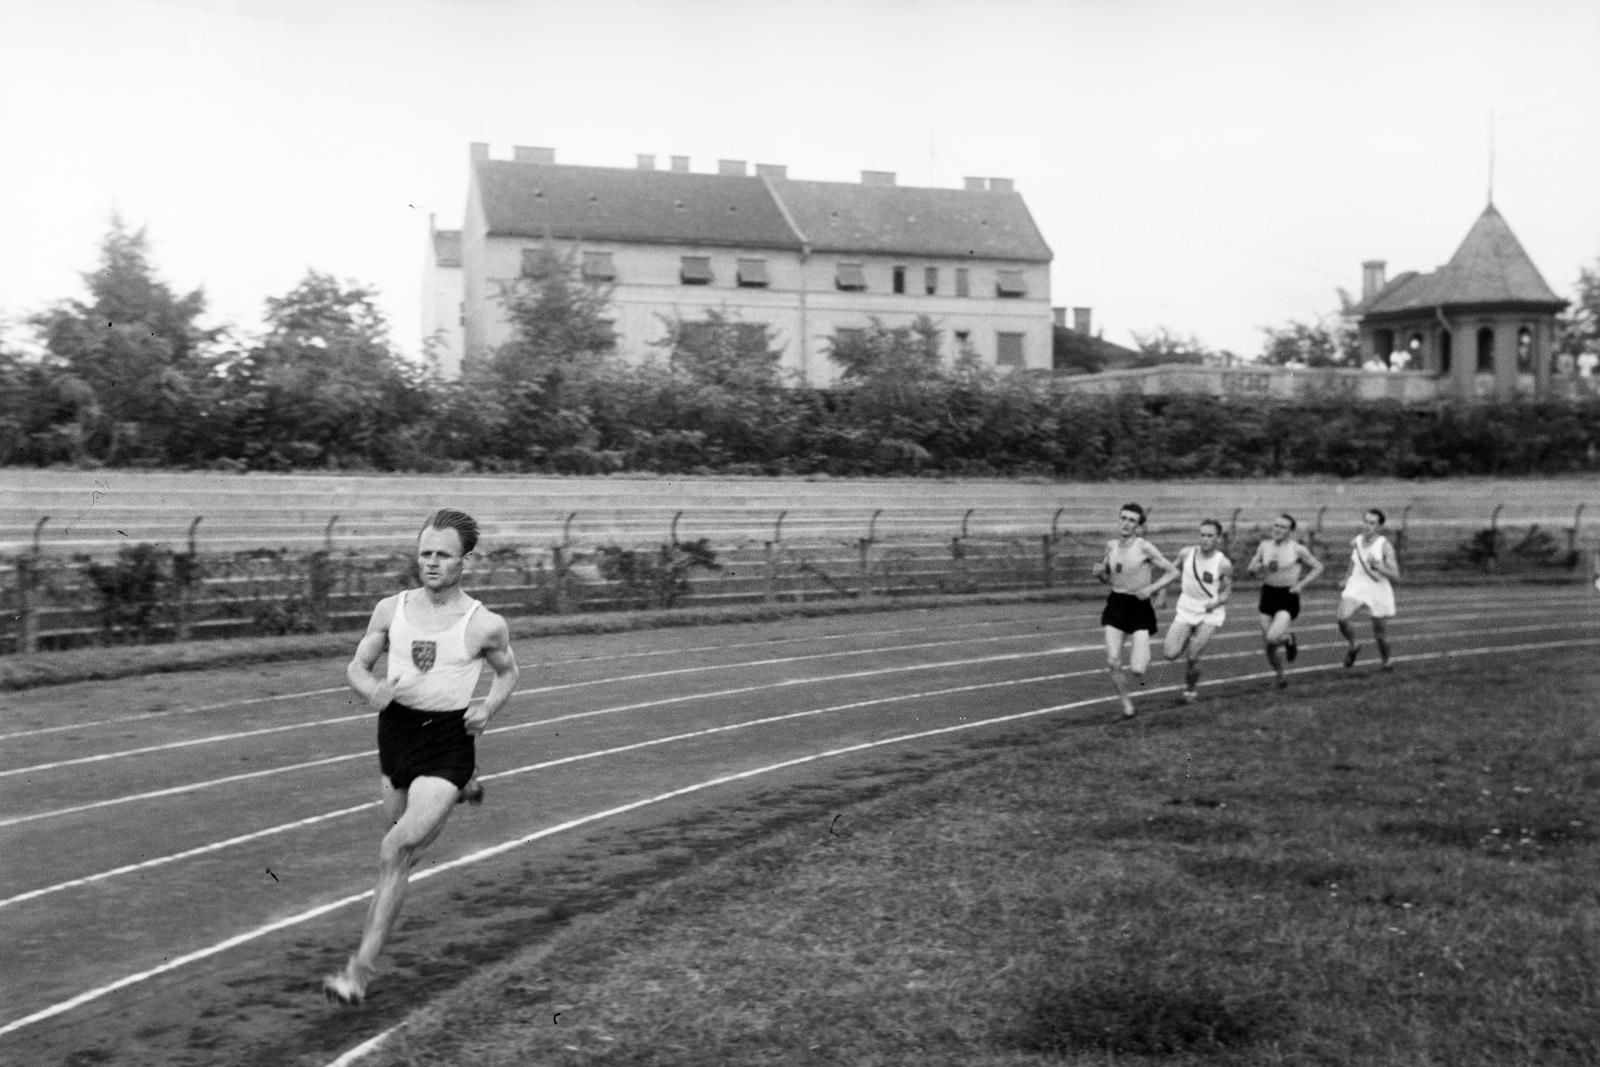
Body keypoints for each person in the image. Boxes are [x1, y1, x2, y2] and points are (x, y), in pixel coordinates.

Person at [322, 508, 520, 1004]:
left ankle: (358, 974)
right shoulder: (390, 610)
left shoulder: (484, 625)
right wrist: (371, 691)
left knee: (396, 851)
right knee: (398, 836)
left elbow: (508, 673)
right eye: (425, 553)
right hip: (397, 735)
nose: (432, 563)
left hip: (447, 740)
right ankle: (460, 789)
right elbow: (357, 665)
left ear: (464, 562)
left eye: (443, 555)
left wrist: (487, 708)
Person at [1093, 503, 1179, 719]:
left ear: (1138, 526)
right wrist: (1100, 574)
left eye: (1132, 520)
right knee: (1112, 660)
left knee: (1138, 670)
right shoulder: (1110, 546)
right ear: (1118, 520)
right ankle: (1127, 706)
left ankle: (1142, 658)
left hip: (1139, 607)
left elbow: (1173, 571)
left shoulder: (1144, 547)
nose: (1126, 523)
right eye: (1123, 518)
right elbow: (1108, 577)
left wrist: (1151, 589)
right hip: (1116, 604)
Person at [1245, 513, 1325, 688]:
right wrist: (1254, 568)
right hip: (1267, 594)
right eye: (1276, 526)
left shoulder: (1298, 549)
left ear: (1291, 531)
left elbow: (1318, 567)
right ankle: (1281, 677)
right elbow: (1251, 569)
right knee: (1269, 645)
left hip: (1287, 596)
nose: (1278, 529)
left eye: (1283, 527)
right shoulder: (1264, 546)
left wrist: (1301, 584)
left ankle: (1288, 639)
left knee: (1273, 637)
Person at [1161, 518, 1234, 704]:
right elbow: (1170, 571)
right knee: (1170, 653)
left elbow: (1227, 591)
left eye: (1210, 536)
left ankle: (1191, 691)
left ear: (1217, 538)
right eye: (1202, 535)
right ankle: (1185, 636)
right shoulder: (1186, 553)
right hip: (1186, 608)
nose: (1205, 539)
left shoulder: (1223, 563)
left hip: (1209, 613)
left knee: (1193, 656)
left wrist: (1216, 603)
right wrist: (1161, 593)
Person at [1336, 509, 1400, 670]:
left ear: (1379, 527)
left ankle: (1386, 661)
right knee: (1342, 618)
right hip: (1357, 586)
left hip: (1377, 589)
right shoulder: (1357, 541)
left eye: (1372, 523)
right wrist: (1346, 577)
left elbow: (1396, 576)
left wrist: (1379, 567)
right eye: (1365, 521)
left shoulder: (1385, 546)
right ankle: (1354, 644)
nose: (1367, 526)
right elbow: (1353, 561)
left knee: (1379, 635)